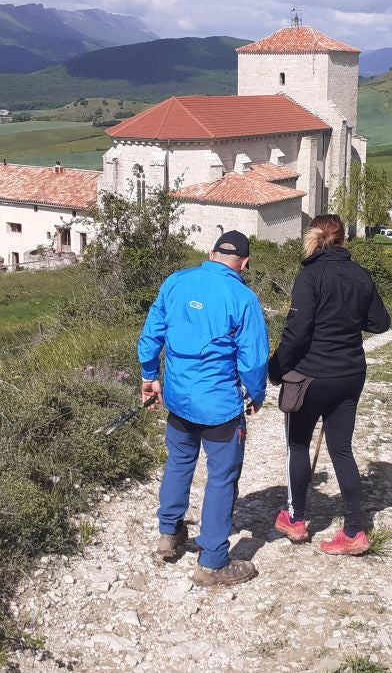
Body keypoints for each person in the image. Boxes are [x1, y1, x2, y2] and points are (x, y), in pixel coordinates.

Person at [139, 229, 269, 586]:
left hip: (179, 399)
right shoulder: (243, 298)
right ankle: (212, 563)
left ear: (211, 253)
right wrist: (256, 395)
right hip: (220, 408)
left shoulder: (177, 282)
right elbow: (254, 360)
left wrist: (150, 376)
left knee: (179, 463)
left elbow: (152, 333)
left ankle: (169, 533)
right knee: (222, 478)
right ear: (244, 263)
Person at [270, 214, 391, 555]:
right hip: (350, 375)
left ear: (313, 237)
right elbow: (380, 323)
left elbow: (297, 331)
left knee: (297, 445)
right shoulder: (360, 275)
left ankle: (295, 519)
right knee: (341, 449)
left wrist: (276, 368)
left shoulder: (310, 275)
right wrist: (350, 320)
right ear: (342, 239)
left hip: (310, 375)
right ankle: (354, 531)